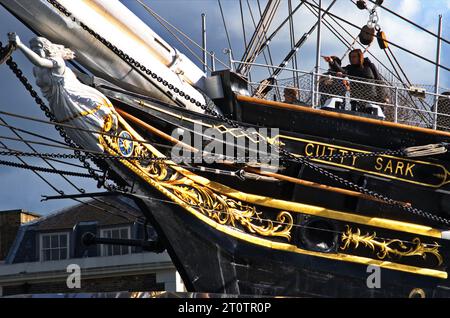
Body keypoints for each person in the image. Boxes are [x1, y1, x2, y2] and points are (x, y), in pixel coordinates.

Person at [7, 33, 117, 152]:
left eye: (38, 49)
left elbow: (39, 61)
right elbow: (38, 65)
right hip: (56, 102)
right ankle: (95, 146)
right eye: (34, 49)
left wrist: (20, 45)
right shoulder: (36, 70)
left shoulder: (57, 61)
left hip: (70, 97)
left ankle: (104, 140)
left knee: (85, 119)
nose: (36, 51)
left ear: (46, 48)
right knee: (73, 127)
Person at [323, 49, 388, 113]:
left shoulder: (370, 66)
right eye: (350, 57)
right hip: (357, 98)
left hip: (371, 97)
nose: (352, 59)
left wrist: (383, 97)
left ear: (360, 57)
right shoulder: (350, 68)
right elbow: (341, 70)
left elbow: (379, 80)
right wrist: (331, 62)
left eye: (354, 57)